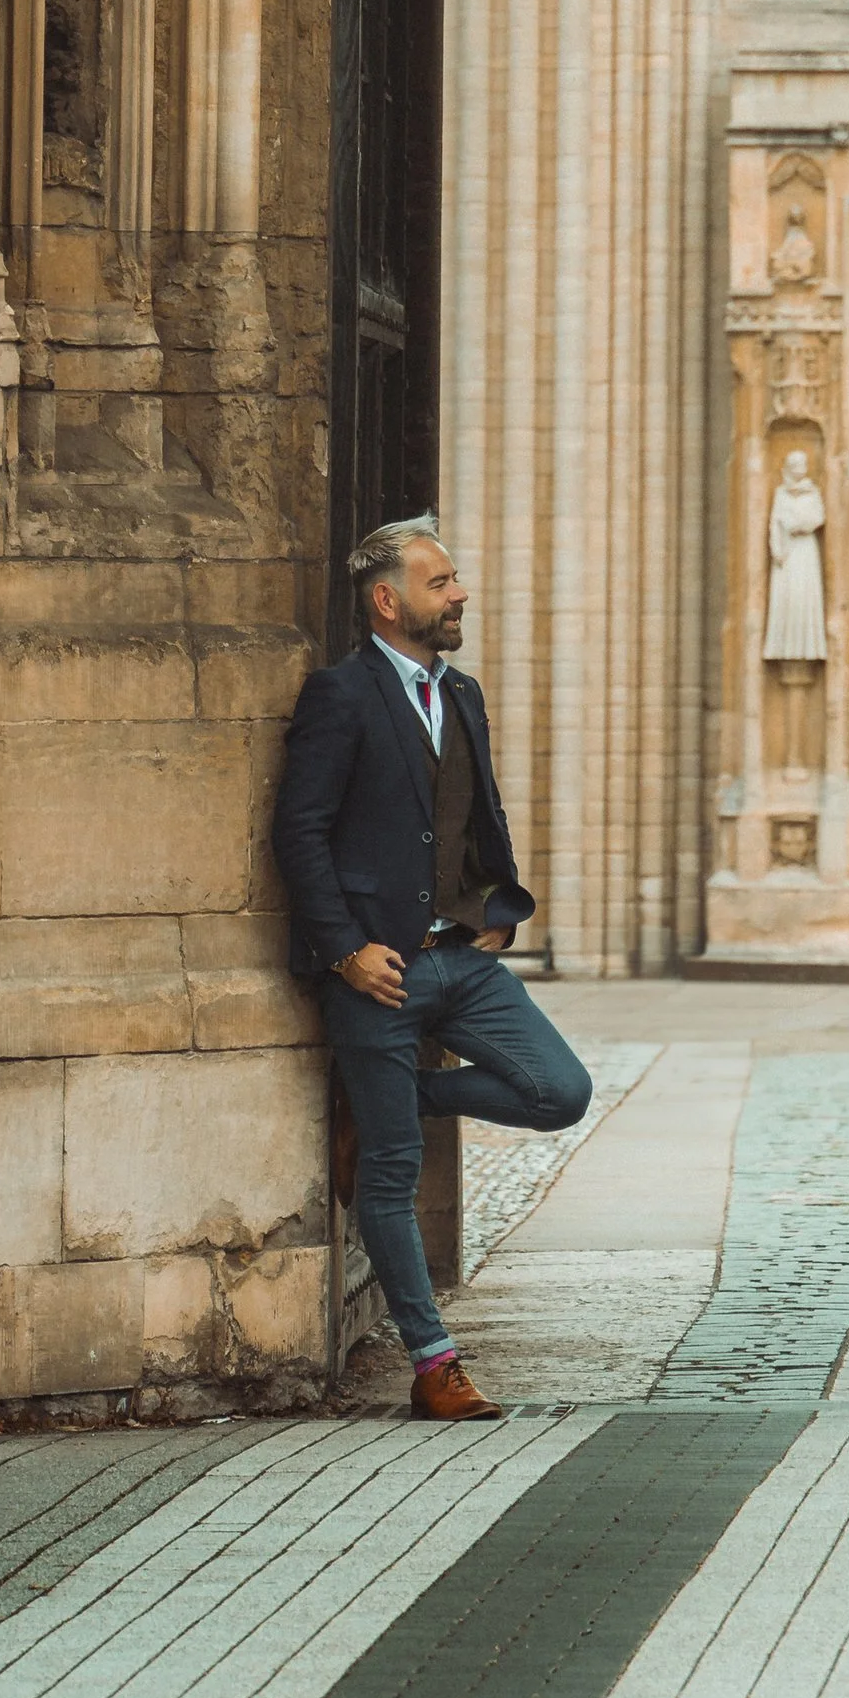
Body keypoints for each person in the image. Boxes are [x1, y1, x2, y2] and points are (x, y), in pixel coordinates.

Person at [272, 519, 589, 1421]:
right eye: (442, 582)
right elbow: (299, 832)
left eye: (453, 581)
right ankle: (434, 1365)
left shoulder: (466, 695)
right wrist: (344, 950)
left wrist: (494, 912)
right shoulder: (340, 695)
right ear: (389, 600)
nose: (459, 595)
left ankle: (394, 1101)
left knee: (558, 1091)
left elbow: (477, 814)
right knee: (390, 1175)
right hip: (376, 972)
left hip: (460, 959)